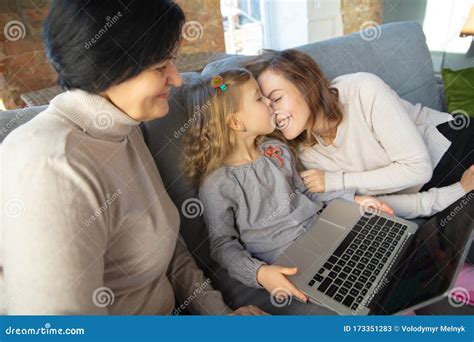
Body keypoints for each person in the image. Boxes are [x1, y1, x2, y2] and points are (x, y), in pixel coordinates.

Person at [2, 0, 265, 315]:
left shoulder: (124, 126)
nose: (177, 79)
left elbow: (171, 253)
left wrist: (222, 319)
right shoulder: (52, 167)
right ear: (104, 70)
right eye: (159, 68)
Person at [182, 68, 392, 304]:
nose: (269, 102)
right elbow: (222, 245)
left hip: (323, 227)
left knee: (386, 258)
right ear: (237, 122)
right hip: (289, 258)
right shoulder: (218, 184)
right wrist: (260, 273)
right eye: (259, 98)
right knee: (358, 293)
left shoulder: (276, 150)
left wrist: (352, 199)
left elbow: (305, 190)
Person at [244, 49, 474, 219]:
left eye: (276, 98)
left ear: (305, 83)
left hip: (454, 147)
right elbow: (375, 202)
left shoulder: (362, 89)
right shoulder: (306, 155)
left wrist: (336, 181)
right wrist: (457, 191)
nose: (274, 113)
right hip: (431, 190)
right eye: (266, 105)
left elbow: (418, 169)